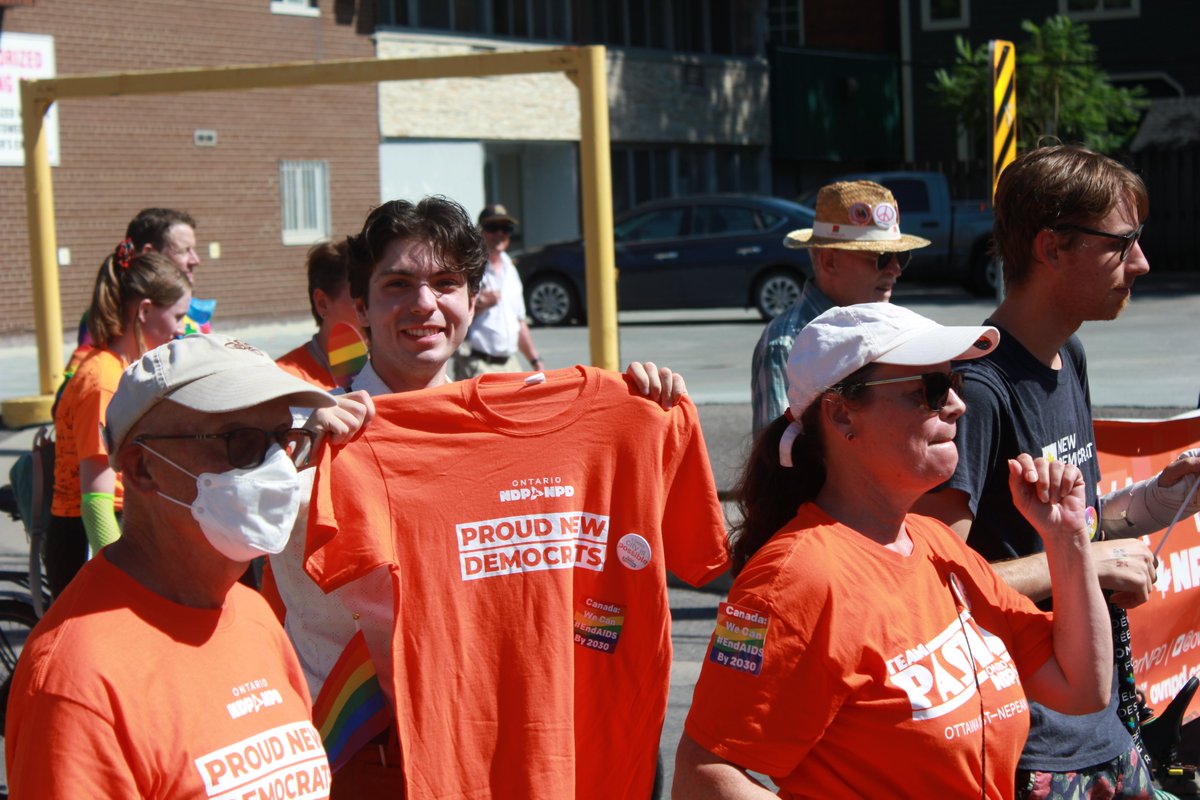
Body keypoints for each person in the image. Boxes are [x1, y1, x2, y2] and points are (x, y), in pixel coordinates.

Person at [267, 195, 696, 795]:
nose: (425, 304)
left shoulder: (540, 422)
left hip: (528, 739)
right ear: (360, 307)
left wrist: (645, 414)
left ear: (473, 301)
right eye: (398, 285)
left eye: (446, 284)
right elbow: (230, 552)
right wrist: (284, 459)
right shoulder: (315, 436)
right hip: (373, 754)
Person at [675, 303, 1114, 798]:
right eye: (929, 390)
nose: (956, 405)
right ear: (842, 413)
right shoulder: (795, 580)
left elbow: (1081, 687)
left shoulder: (933, 544)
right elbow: (704, 777)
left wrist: (1067, 538)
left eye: (956, 385)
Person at [914, 144, 1200, 798]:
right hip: (1028, 744)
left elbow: (1076, 526)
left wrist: (1159, 501)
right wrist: (1087, 565)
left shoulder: (1065, 355)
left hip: (1099, 727)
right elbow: (932, 585)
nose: (1142, 263)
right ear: (1051, 249)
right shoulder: (978, 392)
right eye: (1122, 243)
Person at [6, 333, 364, 798]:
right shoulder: (76, 682)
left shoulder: (255, 617)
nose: (277, 466)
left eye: (283, 438)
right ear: (140, 468)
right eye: (239, 440)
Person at [47, 247, 191, 597]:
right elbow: (96, 500)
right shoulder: (104, 380)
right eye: (177, 316)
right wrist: (121, 584)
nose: (182, 328)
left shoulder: (121, 369)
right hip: (92, 539)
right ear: (144, 311)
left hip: (118, 532)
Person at [750, 180, 931, 433]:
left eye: (901, 257)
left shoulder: (894, 330)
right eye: (882, 258)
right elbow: (776, 460)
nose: (895, 269)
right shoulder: (785, 344)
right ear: (830, 261)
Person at [452, 202, 544, 379]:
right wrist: (479, 305)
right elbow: (451, 317)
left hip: (510, 364)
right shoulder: (467, 267)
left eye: (506, 228)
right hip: (478, 364)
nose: (500, 234)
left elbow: (519, 321)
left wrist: (534, 360)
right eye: (492, 227)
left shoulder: (511, 269)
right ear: (480, 231)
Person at [276, 238, 364, 390]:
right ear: (322, 303)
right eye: (360, 297)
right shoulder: (284, 382)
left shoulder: (396, 370)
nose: (371, 309)